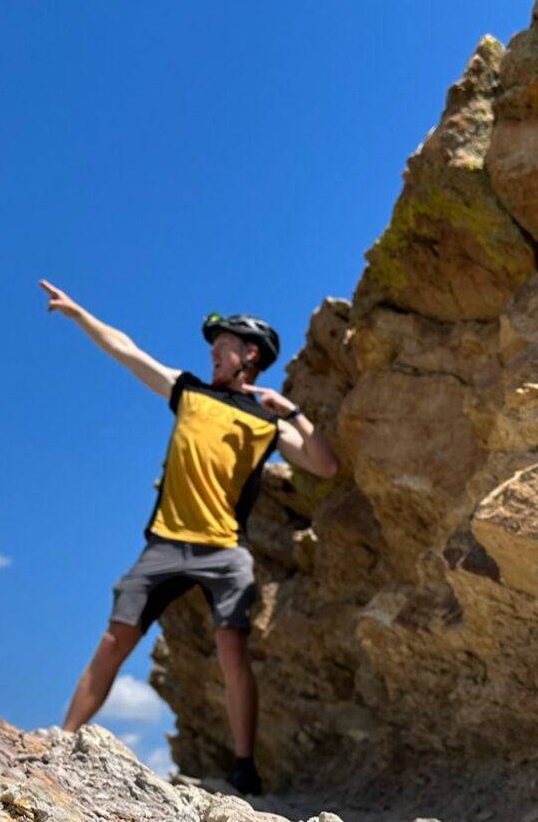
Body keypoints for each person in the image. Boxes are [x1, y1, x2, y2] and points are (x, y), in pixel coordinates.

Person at [43, 279, 337, 795]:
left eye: (221, 346)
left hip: (225, 551)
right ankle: (62, 740)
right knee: (114, 641)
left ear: (248, 355)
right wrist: (80, 314)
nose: (211, 352)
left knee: (232, 654)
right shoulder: (189, 391)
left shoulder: (265, 421)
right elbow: (127, 350)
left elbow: (324, 465)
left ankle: (245, 768)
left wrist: (290, 411)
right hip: (163, 544)